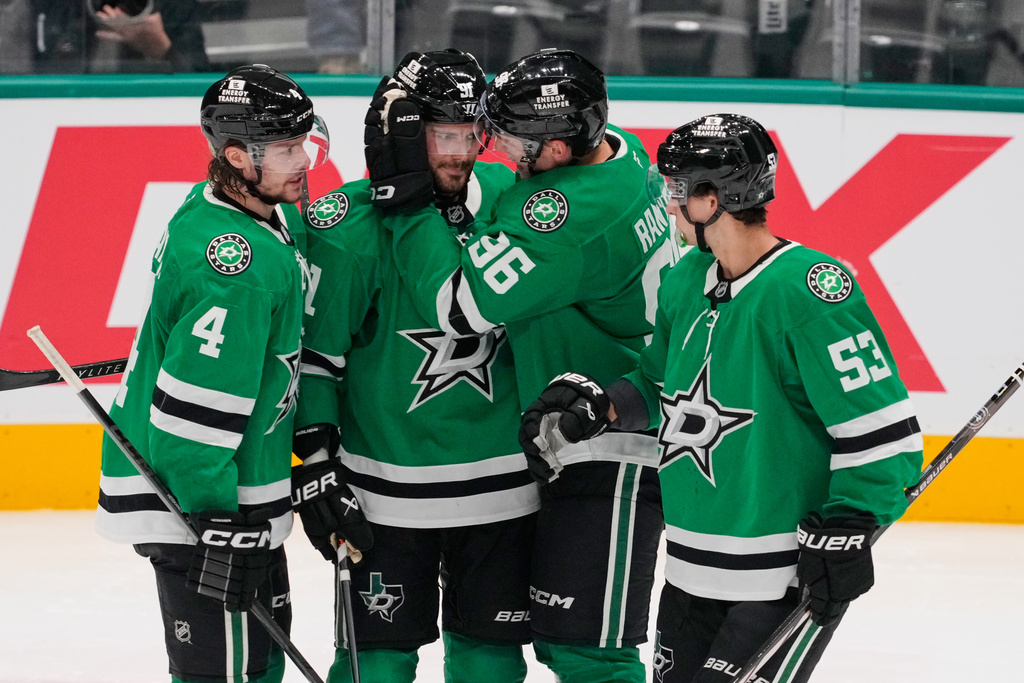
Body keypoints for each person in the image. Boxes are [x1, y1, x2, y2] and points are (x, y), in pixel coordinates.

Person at [519, 113, 925, 682]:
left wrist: (852, 523)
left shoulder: (808, 292)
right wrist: (600, 405)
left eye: (676, 189)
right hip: (688, 570)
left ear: (711, 199)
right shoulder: (688, 280)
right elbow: (658, 384)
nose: (668, 203)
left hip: (777, 577)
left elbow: (884, 432)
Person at [365, 48, 680, 683]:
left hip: (613, 441)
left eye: (515, 139)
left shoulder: (562, 217)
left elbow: (460, 307)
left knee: (591, 650)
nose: (501, 153)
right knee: (569, 641)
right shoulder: (623, 150)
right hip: (583, 430)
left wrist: (409, 205)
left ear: (561, 148)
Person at [293, 49, 536, 683]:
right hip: (383, 497)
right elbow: (316, 359)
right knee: (374, 665)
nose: (459, 152)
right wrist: (317, 466)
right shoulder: (346, 227)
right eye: (441, 135)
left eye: (468, 134)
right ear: (398, 133)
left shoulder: (513, 200)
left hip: (503, 490)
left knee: (490, 662)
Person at [94, 65, 334, 683]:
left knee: (254, 667)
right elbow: (194, 417)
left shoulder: (231, 206)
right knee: (228, 675)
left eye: (301, 141)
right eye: (286, 148)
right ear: (236, 155)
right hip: (205, 506)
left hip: (230, 494)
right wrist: (215, 521)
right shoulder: (236, 268)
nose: (303, 159)